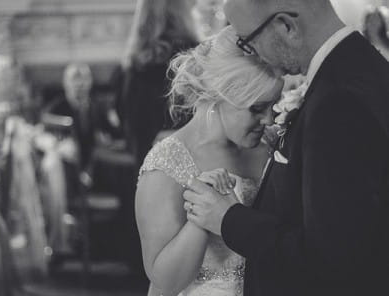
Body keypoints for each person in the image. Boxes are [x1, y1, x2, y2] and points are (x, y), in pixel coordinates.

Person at [182, 1, 389, 296]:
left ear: (286, 26)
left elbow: (331, 260)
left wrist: (228, 219)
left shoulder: (339, 102)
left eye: (249, 43)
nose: (256, 57)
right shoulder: (363, 67)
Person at [136, 26, 283, 296]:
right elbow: (166, 282)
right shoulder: (166, 165)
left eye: (274, 105)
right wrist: (199, 219)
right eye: (256, 108)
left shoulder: (274, 144)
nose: (269, 120)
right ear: (218, 97)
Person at [121, 0, 199, 169]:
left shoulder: (136, 64)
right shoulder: (194, 56)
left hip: (150, 165)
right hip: (196, 161)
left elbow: (131, 126)